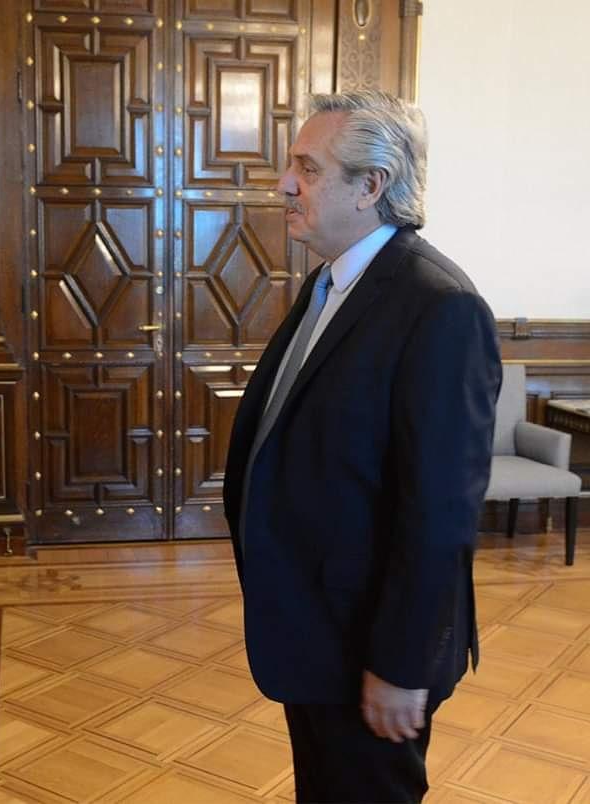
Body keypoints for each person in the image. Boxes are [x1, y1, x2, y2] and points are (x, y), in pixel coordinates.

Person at [222, 90, 501, 803]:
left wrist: (402, 665)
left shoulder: (439, 305)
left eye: (308, 168)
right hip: (315, 627)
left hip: (371, 646)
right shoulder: (331, 281)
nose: (284, 184)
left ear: (371, 185)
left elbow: (439, 512)